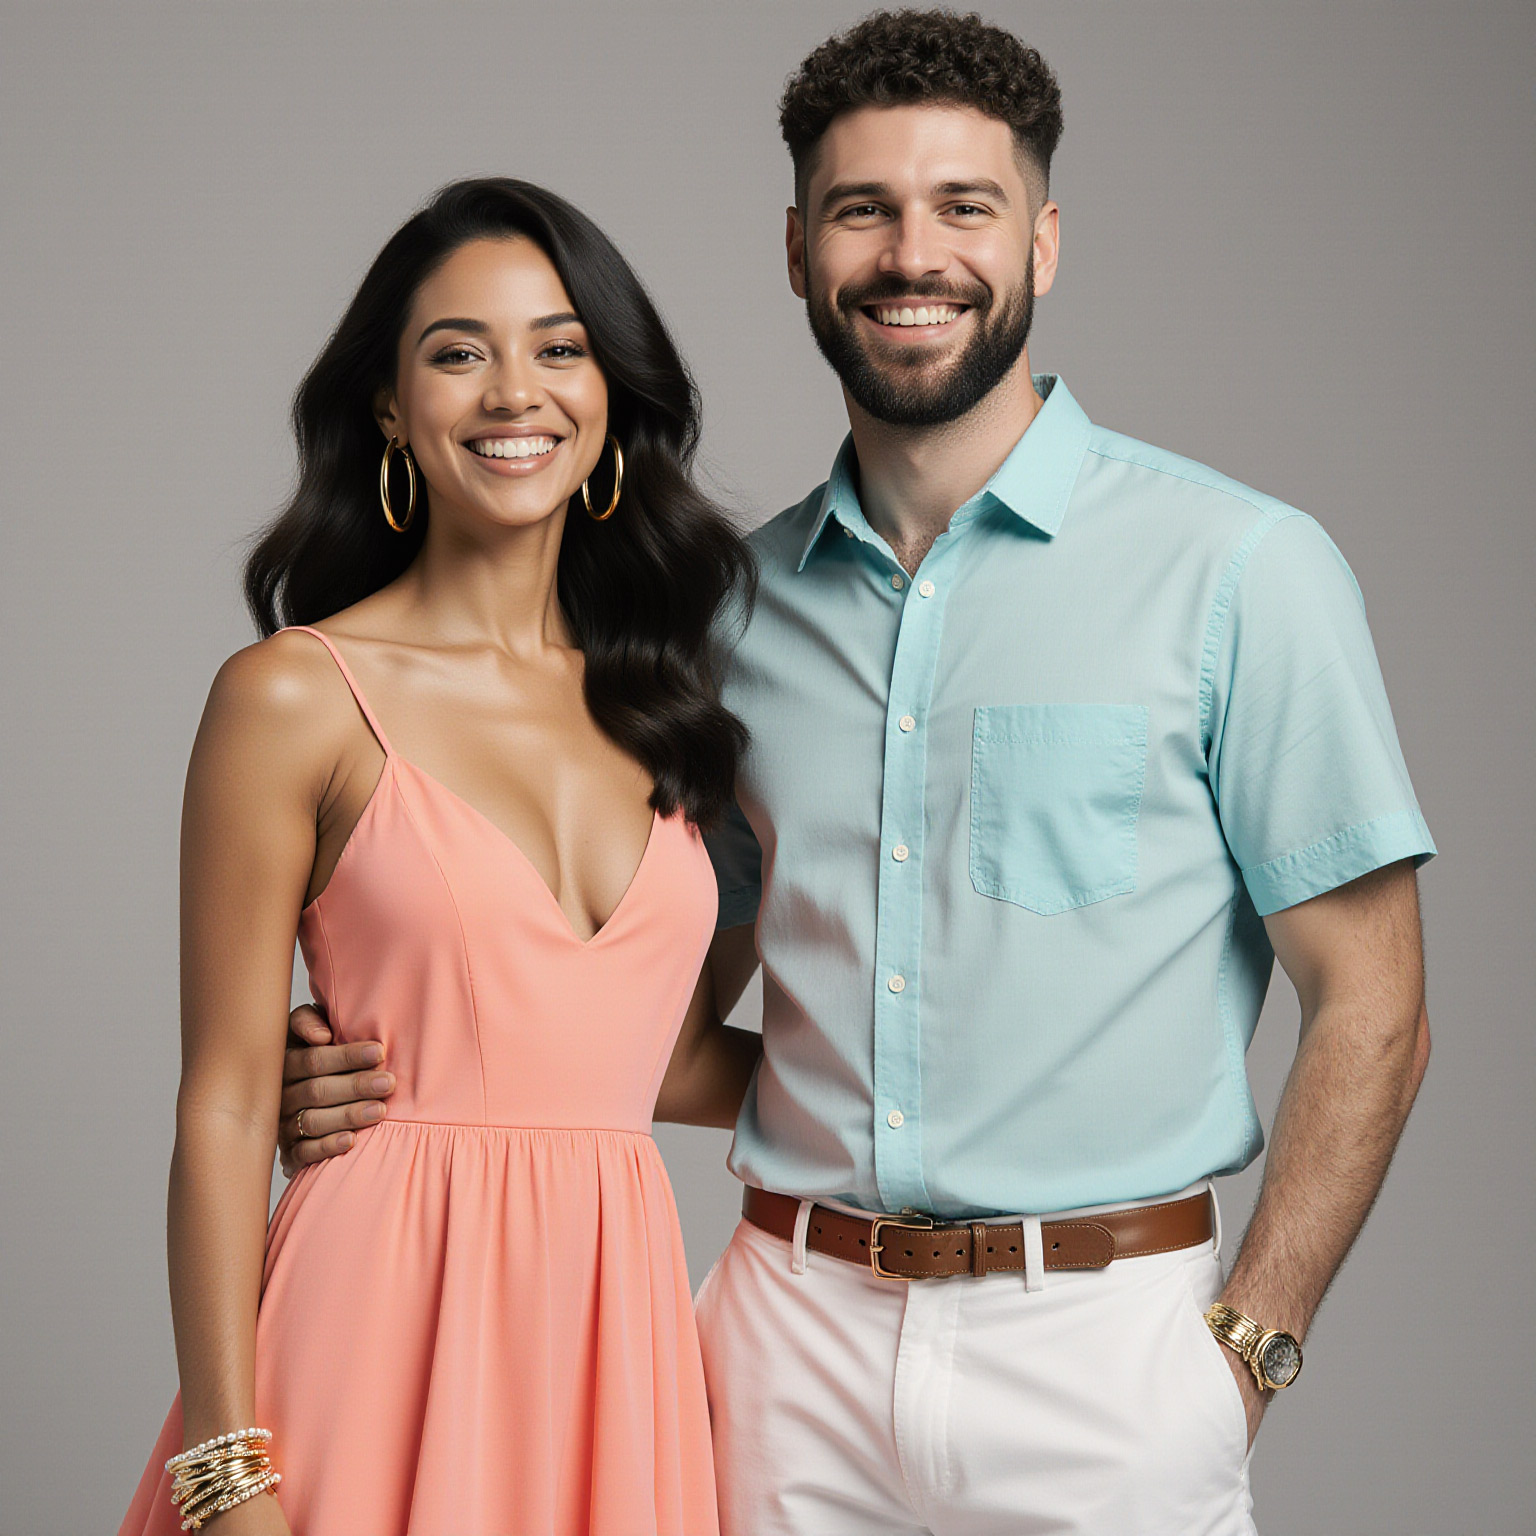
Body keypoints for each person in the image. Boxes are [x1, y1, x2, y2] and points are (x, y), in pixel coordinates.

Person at [280, 12, 1436, 1534]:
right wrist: (389, 1061)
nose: (913, 253)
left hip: (1106, 1356)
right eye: (862, 208)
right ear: (796, 246)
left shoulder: (1239, 572)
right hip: (781, 1353)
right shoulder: (720, 623)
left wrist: (1246, 1349)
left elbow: (1377, 1003)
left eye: (965, 206)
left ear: (1046, 240)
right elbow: (650, 1018)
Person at [120, 177, 761, 1536]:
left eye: (560, 346)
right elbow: (228, 1107)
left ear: (610, 398)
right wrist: (228, 1477)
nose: (512, 391)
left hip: (611, 1357)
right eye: (458, 351)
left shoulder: (672, 711)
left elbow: (656, 1061)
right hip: (368, 1337)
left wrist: (958, 1098)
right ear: (389, 409)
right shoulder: (294, 696)